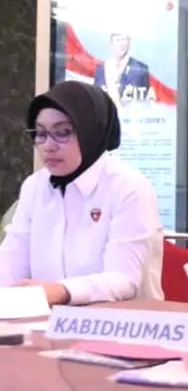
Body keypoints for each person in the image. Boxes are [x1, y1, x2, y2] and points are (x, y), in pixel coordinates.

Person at [0, 81, 164, 305]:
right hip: (45, 320)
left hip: (123, 322)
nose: (48, 145)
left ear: (90, 131)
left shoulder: (129, 187)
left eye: (63, 132)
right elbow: (10, 263)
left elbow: (125, 280)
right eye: (41, 134)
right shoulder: (35, 186)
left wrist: (61, 291)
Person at [93, 31, 151, 103]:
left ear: (129, 42)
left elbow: (144, 102)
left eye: (124, 40)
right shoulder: (101, 69)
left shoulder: (141, 69)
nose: (121, 44)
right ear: (111, 43)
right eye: (117, 40)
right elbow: (96, 98)